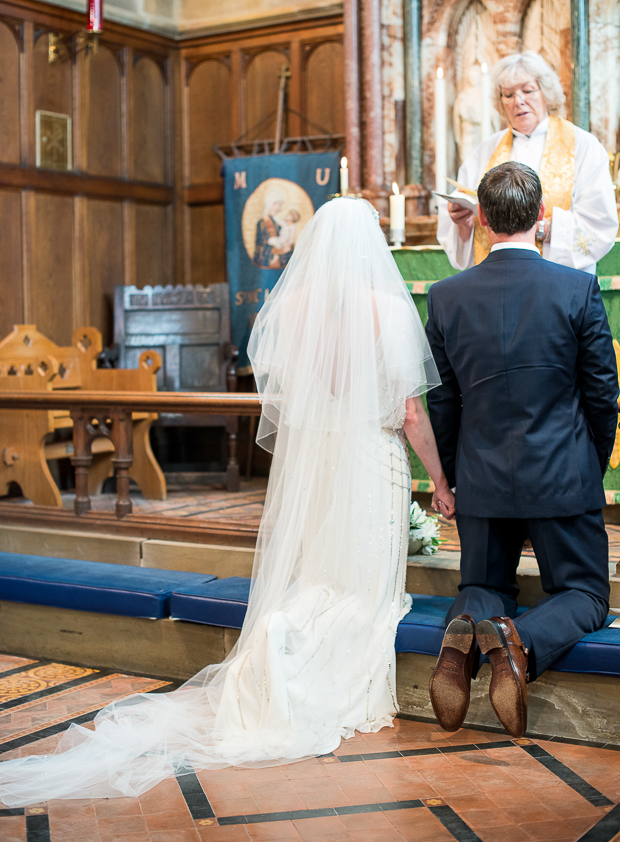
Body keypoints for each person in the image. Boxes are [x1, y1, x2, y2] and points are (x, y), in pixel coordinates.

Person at [0, 196, 454, 806]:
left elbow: (284, 397)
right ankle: (295, 650)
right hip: (369, 461)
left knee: (319, 573)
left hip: (316, 462)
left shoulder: (289, 307)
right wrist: (441, 481)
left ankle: (280, 634)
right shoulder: (387, 310)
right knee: (360, 588)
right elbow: (408, 411)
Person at [426, 161, 618, 739]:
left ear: (481, 220)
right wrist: (590, 462)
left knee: (482, 586)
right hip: (562, 474)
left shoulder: (445, 296)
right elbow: (603, 393)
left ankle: (465, 635)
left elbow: (445, 402)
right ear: (541, 217)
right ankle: (518, 641)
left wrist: (455, 478)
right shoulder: (576, 287)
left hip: (483, 478)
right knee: (584, 593)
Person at [437, 50, 618, 274]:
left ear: (546, 93)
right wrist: (462, 223)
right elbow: (459, 225)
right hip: (497, 281)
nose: (519, 101)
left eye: (528, 90)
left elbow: (599, 223)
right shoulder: (484, 152)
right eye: (508, 95)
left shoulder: (584, 147)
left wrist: (540, 229)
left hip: (557, 283)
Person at [253, 187, 286, 268]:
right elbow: (260, 243)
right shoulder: (261, 223)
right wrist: (271, 243)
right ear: (271, 204)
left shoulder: (277, 222)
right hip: (267, 256)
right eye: (278, 205)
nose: (279, 208)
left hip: (279, 255)